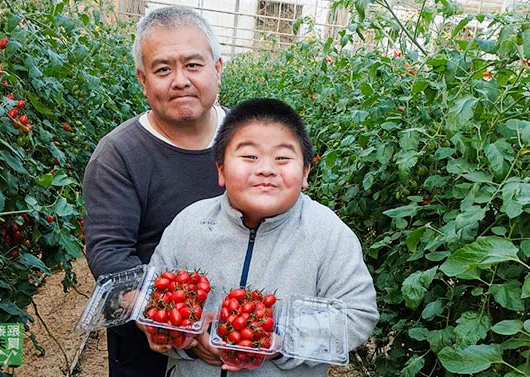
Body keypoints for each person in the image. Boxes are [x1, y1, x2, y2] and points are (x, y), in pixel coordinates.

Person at [148, 98, 379, 376]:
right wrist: (187, 340)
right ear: (221, 169)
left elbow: (356, 315)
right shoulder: (189, 223)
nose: (266, 169)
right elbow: (155, 298)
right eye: (249, 156)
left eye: (282, 158)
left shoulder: (328, 234)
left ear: (305, 171)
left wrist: (280, 339)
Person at [82, 6, 227, 377]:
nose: (180, 80)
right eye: (163, 69)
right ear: (143, 81)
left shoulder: (251, 141)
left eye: (193, 65)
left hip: (240, 334)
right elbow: (111, 252)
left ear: (218, 69)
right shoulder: (119, 155)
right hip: (153, 348)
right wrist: (166, 318)